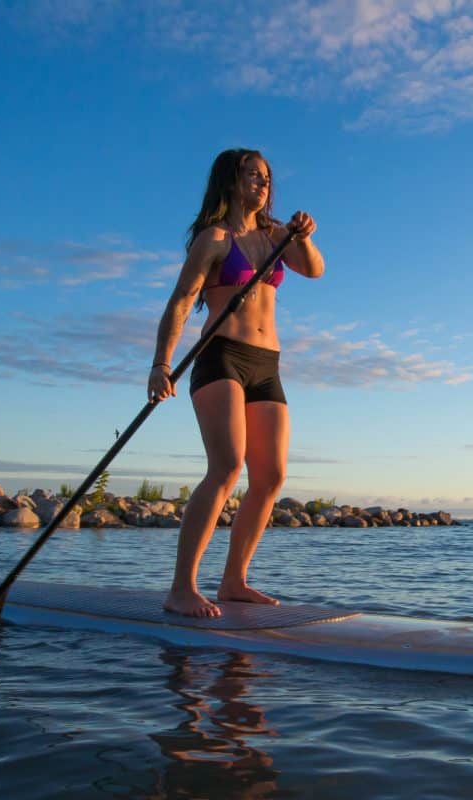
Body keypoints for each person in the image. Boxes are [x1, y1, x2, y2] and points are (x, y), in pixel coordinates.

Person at [148, 148, 324, 618]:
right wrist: (161, 365)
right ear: (230, 181)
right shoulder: (215, 238)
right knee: (227, 467)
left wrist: (302, 235)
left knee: (270, 476)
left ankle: (234, 582)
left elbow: (314, 268)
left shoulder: (276, 234)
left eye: (267, 177)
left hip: (268, 364)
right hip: (220, 356)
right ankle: (182, 588)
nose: (262, 184)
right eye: (252, 175)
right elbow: (182, 301)